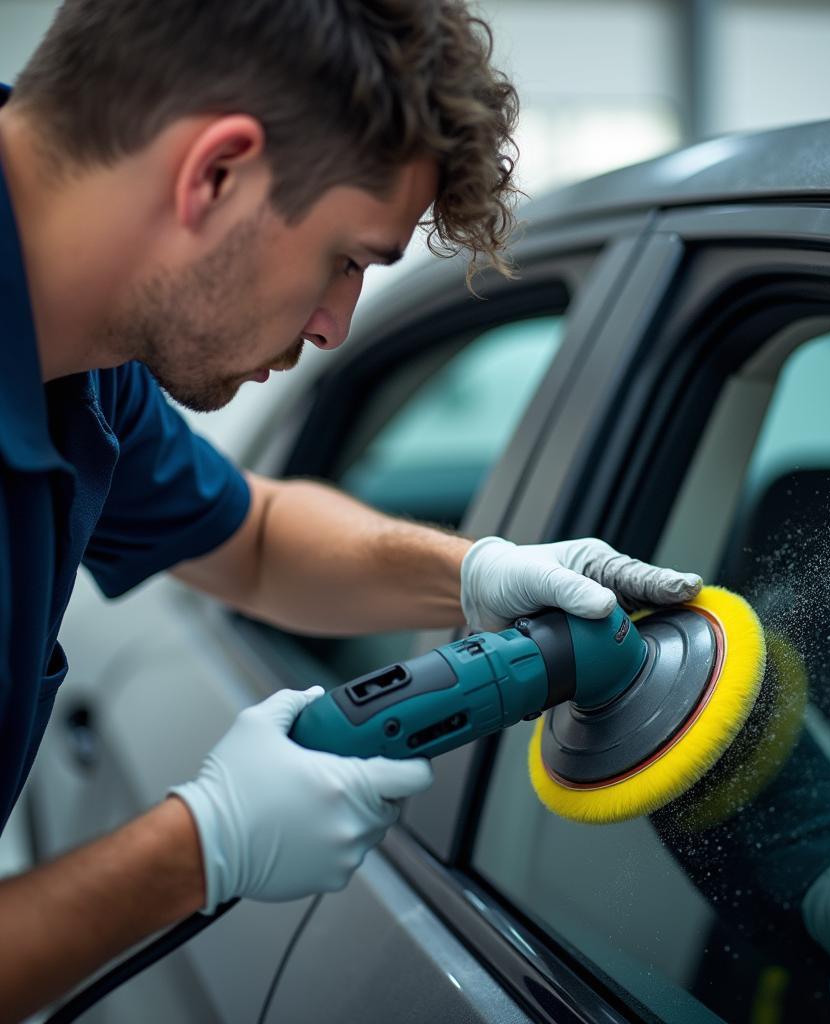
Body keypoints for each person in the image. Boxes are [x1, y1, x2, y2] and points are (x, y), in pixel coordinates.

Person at [0, 2, 705, 1019]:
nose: (335, 326)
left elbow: (252, 541)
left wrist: (474, 570)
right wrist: (200, 847)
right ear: (217, 175)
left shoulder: (86, 358)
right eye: (349, 258)